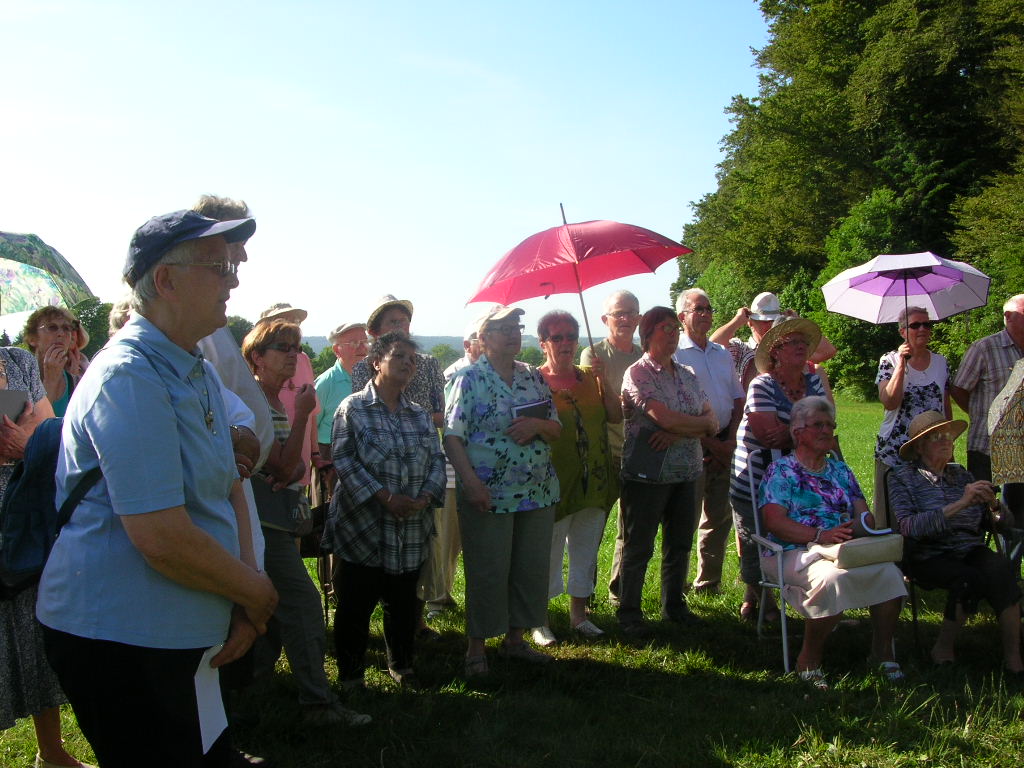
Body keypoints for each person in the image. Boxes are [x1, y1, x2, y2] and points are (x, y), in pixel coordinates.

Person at [36, 210, 278, 767]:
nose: (234, 281)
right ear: (165, 281)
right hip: (122, 640)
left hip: (176, 638)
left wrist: (246, 594)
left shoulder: (189, 367)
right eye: (219, 268)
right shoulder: (131, 376)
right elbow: (161, 535)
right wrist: (254, 592)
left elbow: (227, 490)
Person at [241, 321, 370, 726]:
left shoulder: (273, 400)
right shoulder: (255, 403)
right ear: (256, 357)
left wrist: (287, 458)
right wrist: (302, 417)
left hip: (277, 520)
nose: (293, 355)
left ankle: (249, 700)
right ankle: (317, 703)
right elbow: (282, 463)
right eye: (282, 347)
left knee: (268, 611)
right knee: (303, 606)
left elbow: (291, 464)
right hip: (261, 525)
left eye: (296, 347)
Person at [443, 305, 561, 676]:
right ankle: (476, 647)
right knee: (489, 569)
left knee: (529, 567)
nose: (512, 333)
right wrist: (471, 483)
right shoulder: (467, 378)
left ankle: (515, 640)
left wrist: (535, 425)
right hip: (488, 493)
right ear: (482, 337)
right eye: (502, 328)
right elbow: (452, 436)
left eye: (516, 326)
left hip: (536, 490)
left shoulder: (533, 377)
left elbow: (556, 427)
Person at [759, 396, 906, 689]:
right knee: (832, 579)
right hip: (792, 550)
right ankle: (809, 659)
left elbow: (865, 516)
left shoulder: (840, 470)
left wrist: (860, 525)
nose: (827, 431)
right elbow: (774, 522)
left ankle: (882, 653)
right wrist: (819, 536)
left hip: (841, 547)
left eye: (830, 425)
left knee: (890, 573)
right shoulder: (782, 471)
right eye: (818, 425)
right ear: (798, 432)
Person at [325, 332, 445, 689]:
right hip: (364, 528)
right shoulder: (353, 408)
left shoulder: (420, 415)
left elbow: (437, 459)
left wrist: (424, 497)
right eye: (400, 356)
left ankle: (402, 667)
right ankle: (351, 676)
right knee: (354, 607)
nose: (409, 363)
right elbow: (344, 459)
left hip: (410, 528)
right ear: (376, 362)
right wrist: (384, 497)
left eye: (413, 359)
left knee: (403, 604)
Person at [0, 347, 91, 768]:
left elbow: (47, 428)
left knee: (32, 631)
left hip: (22, 512)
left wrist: (25, 443)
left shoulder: (17, 361)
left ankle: (51, 752)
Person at [888, 410, 1023, 672]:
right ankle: (943, 647)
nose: (946, 441)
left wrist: (993, 505)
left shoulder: (962, 475)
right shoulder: (903, 478)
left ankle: (1014, 658)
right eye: (937, 437)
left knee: (1002, 572)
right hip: (928, 552)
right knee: (967, 579)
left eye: (948, 436)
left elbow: (1001, 525)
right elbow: (909, 527)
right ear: (919, 446)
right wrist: (961, 504)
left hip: (968, 546)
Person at [616, 307, 718, 637]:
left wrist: (679, 433)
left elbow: (712, 422)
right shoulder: (638, 374)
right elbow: (663, 417)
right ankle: (629, 610)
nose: (673, 333)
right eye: (665, 328)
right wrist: (689, 426)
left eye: (675, 328)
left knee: (679, 544)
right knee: (639, 544)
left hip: (687, 471)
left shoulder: (688, 374)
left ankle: (674, 605)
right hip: (647, 474)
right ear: (647, 334)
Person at [351, 295, 447, 640]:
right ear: (376, 333)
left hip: (418, 458)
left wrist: (412, 415)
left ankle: (415, 621)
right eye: (392, 322)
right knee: (374, 554)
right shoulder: (363, 368)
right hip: (380, 471)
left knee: (417, 550)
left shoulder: (428, 364)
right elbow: (361, 421)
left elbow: (441, 413)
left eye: (403, 321)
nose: (400, 326)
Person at [730, 317, 828, 623]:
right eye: (792, 343)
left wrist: (797, 431)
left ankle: (793, 598)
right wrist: (806, 430)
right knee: (754, 538)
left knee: (794, 537)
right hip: (755, 477)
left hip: (799, 479)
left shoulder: (813, 381)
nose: (800, 347)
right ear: (776, 351)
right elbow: (765, 432)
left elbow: (824, 428)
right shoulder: (762, 384)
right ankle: (764, 604)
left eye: (803, 342)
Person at [532, 310, 620, 645]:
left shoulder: (590, 376)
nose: (566, 342)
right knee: (549, 551)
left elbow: (615, 416)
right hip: (552, 481)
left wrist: (604, 380)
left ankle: (579, 615)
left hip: (595, 480)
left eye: (571, 335)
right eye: (557, 337)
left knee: (585, 549)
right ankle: (539, 620)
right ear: (543, 344)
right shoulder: (534, 381)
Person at [674, 288, 743, 594]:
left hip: (725, 443)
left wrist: (729, 441)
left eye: (708, 308)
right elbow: (676, 408)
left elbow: (738, 399)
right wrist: (713, 445)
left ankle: (708, 583)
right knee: (684, 519)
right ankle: (675, 583)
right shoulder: (675, 355)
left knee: (719, 518)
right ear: (682, 317)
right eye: (698, 309)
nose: (705, 314)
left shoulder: (721, 354)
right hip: (691, 446)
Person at [580, 290, 642, 606]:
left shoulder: (644, 358)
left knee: (629, 530)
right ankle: (584, 594)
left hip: (637, 453)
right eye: (619, 313)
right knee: (593, 527)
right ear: (605, 320)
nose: (626, 319)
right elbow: (596, 407)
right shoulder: (593, 355)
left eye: (632, 312)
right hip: (604, 454)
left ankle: (620, 592)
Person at [873, 306, 950, 524]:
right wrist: (901, 364)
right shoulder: (889, 361)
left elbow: (945, 407)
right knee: (894, 519)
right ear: (902, 332)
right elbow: (889, 402)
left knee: (929, 513)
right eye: (915, 325)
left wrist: (948, 444)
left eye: (927, 324)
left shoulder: (941, 363)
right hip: (895, 452)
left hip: (930, 453)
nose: (923, 329)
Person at [951, 294, 1024, 518]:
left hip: (1019, 448)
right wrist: (983, 416)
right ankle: (978, 550)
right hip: (987, 445)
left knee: (1017, 513)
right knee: (980, 510)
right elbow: (958, 389)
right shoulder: (985, 348)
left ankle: (1009, 553)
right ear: (1009, 317)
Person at [710, 291, 836, 391]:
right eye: (763, 322)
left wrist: (797, 322)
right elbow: (713, 344)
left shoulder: (789, 349)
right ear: (750, 322)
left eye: (772, 321)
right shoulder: (741, 348)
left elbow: (828, 351)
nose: (769, 326)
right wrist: (737, 321)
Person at [256, 303, 321, 489]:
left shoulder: (303, 360)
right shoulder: (252, 395)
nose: (293, 324)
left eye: (296, 320)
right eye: (283, 319)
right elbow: (281, 466)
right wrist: (289, 469)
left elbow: (312, 413)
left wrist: (312, 456)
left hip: (296, 474)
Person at [22, 306, 89, 417]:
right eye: (52, 327)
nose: (61, 334)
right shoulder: (21, 377)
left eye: (66, 328)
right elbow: (31, 427)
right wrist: (51, 381)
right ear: (32, 339)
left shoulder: (75, 380)